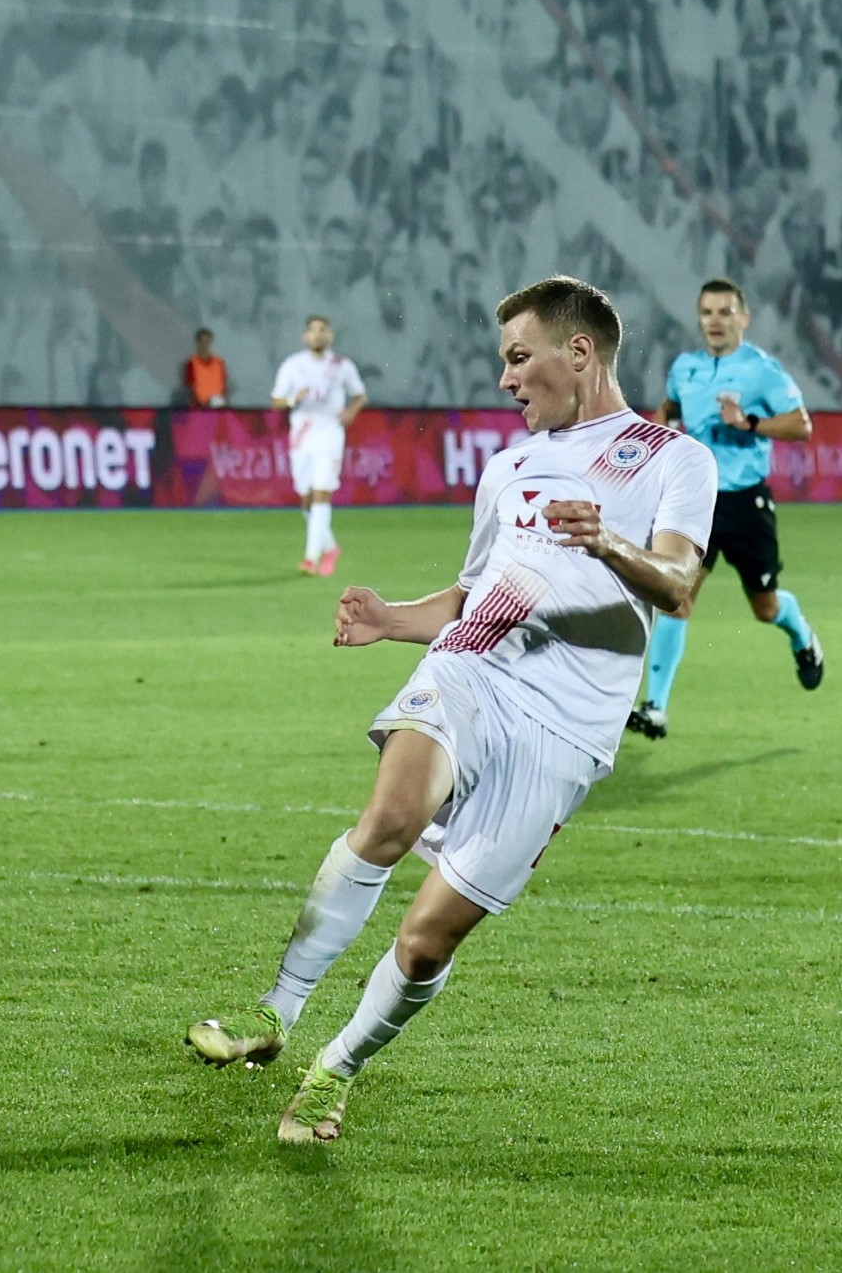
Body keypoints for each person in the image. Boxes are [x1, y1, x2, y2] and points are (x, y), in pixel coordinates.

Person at [186, 277, 716, 1144]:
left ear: (577, 351)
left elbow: (682, 585)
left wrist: (606, 542)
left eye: (519, 358)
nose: (506, 380)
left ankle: (336, 1068)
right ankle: (273, 1010)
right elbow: (474, 592)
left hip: (570, 728)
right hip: (477, 669)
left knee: (429, 938)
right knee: (391, 814)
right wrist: (394, 618)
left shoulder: (673, 458)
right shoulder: (507, 468)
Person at [627, 278, 823, 740]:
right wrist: (658, 434)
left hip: (745, 502)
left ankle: (802, 636)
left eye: (724, 312)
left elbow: (802, 426)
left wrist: (749, 422)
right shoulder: (686, 367)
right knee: (675, 595)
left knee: (765, 606)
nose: (715, 321)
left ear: (743, 318)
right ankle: (655, 705)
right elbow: (670, 410)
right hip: (696, 499)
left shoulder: (761, 370)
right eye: (707, 313)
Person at [271, 316, 366, 575]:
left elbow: (360, 394)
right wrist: (293, 399)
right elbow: (276, 400)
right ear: (305, 337)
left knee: (322, 492)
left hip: (330, 433)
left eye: (322, 330)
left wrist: (351, 412)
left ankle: (311, 558)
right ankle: (331, 547)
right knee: (306, 498)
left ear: (330, 336)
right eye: (312, 331)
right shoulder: (293, 365)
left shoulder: (341, 366)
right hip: (302, 434)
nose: (317, 335)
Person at [182, 327, 229, 406]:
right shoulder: (191, 363)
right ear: (197, 342)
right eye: (202, 341)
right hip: (198, 407)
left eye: (207, 341)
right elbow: (190, 387)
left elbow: (224, 384)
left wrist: (220, 400)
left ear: (211, 342)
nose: (204, 344)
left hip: (218, 406)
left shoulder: (219, 362)